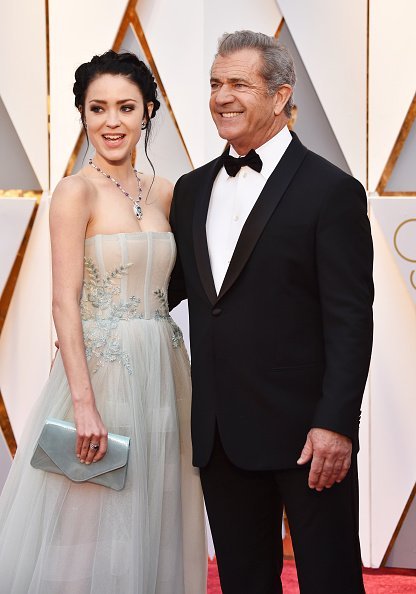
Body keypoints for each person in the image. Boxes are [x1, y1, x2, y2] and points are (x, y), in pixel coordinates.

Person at [168, 30, 373, 594]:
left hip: (307, 435)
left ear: (281, 96)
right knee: (244, 581)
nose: (221, 96)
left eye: (238, 83)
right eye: (214, 83)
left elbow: (351, 318)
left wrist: (336, 423)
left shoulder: (332, 191)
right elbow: (168, 291)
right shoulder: (189, 190)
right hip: (219, 433)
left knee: (331, 580)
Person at [0, 50, 206, 594]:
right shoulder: (75, 192)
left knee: (157, 516)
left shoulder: (165, 193)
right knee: (84, 521)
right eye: (97, 109)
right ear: (83, 115)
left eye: (125, 107)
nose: (111, 122)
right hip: (100, 375)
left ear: (147, 113)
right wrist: (84, 404)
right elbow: (63, 303)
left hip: (164, 371)